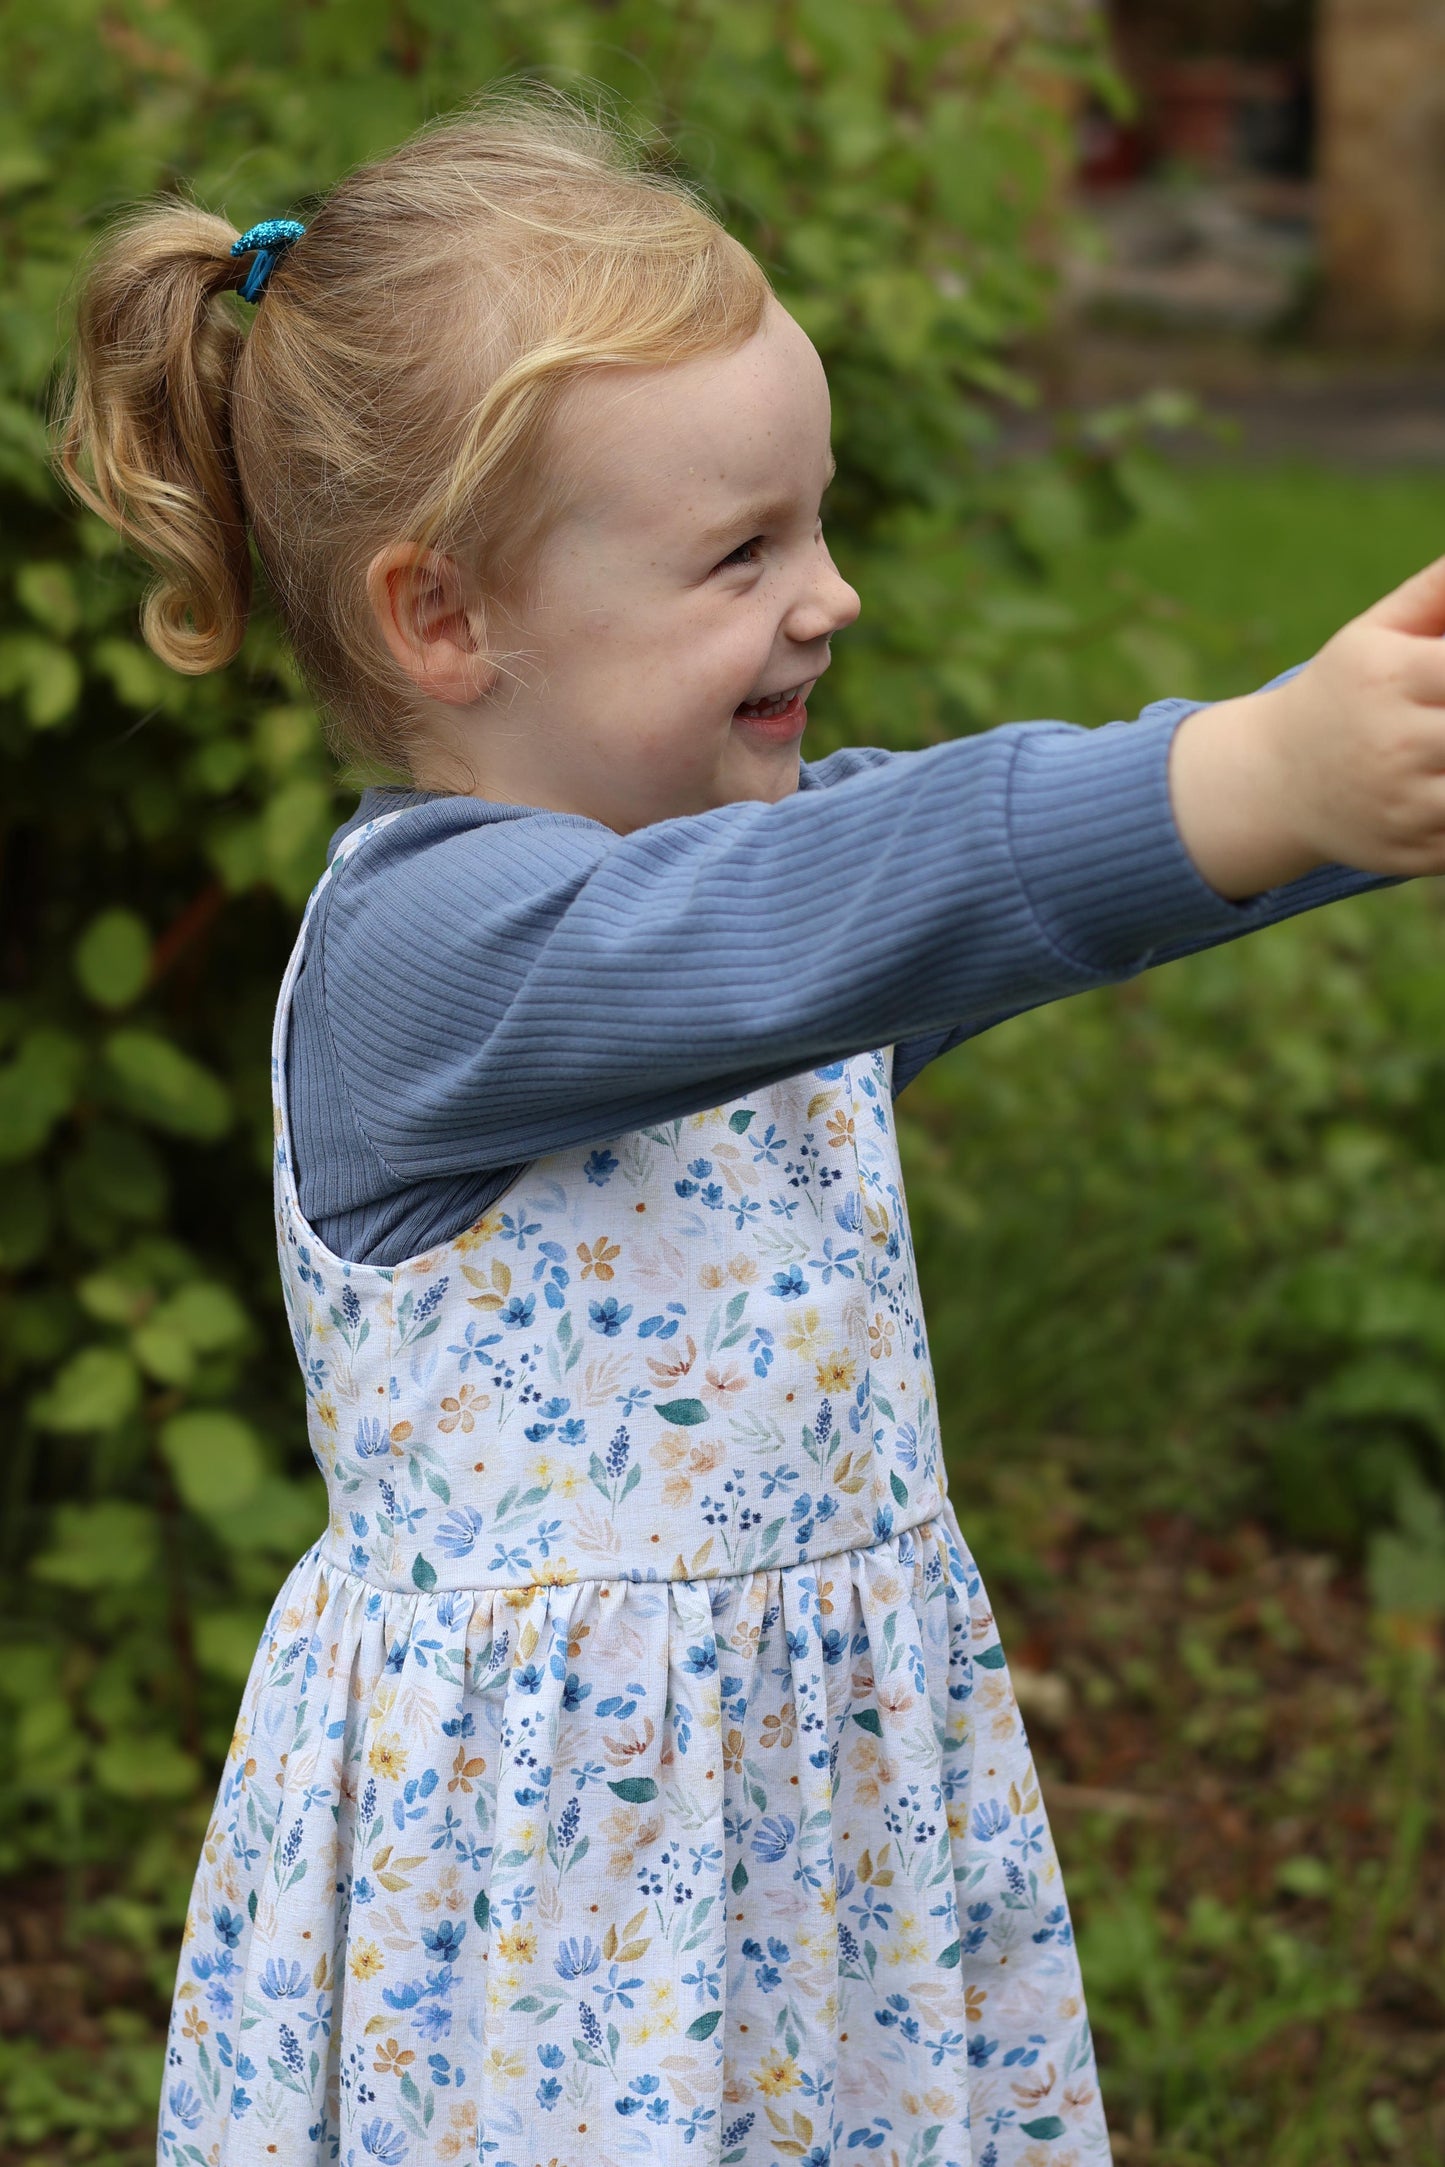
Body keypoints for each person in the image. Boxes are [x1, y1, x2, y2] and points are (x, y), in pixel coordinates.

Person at [56, 87, 1445, 2167]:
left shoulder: (759, 896)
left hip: (816, 1845)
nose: (832, 596)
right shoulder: (431, 961)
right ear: (446, 618)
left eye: (817, 523)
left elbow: (1001, 879)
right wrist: (1259, 772)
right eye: (742, 552)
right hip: (551, 1918)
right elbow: (869, 898)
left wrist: (1345, 778)